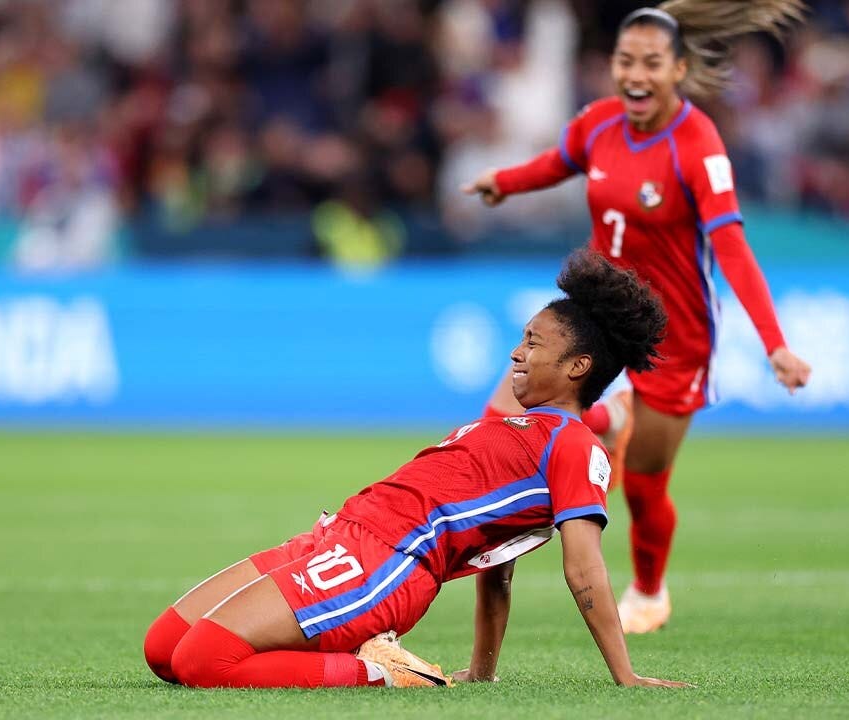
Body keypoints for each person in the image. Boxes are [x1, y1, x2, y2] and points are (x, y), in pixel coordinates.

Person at [143, 250, 688, 689]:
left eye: (533, 343)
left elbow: (584, 569)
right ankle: (335, 649)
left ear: (577, 367)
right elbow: (499, 563)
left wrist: (627, 677)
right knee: (163, 649)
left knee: (204, 662)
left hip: (384, 563)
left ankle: (386, 671)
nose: (517, 354)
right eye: (521, 338)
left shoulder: (575, 446)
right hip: (339, 535)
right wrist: (483, 669)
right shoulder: (518, 427)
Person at [462, 0, 813, 634]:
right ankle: (492, 532)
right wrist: (505, 182)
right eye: (626, 60)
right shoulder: (598, 124)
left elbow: (730, 245)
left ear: (678, 69)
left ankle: (649, 590)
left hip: (675, 338)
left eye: (652, 62)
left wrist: (776, 344)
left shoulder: (697, 144)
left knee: (646, 485)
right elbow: (557, 161)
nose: (636, 74)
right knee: (505, 413)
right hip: (599, 312)